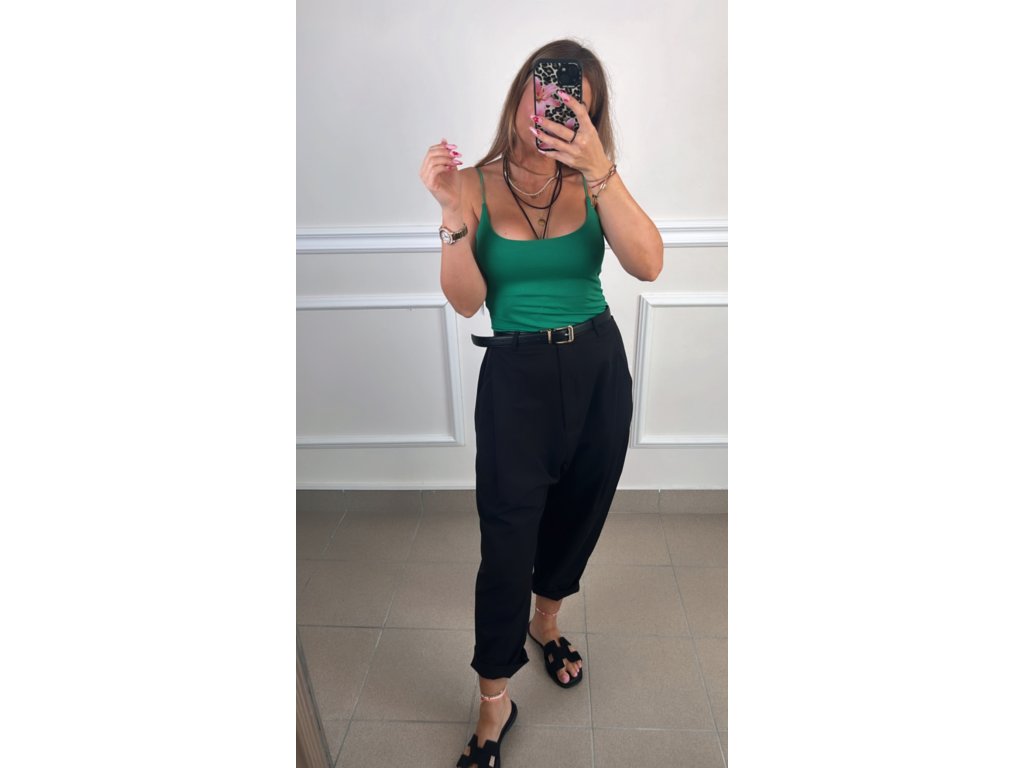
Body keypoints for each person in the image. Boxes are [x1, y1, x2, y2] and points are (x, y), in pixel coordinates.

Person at [418, 38, 662, 768]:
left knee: (580, 511)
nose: (550, 106)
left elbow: (648, 262)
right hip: (516, 378)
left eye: (570, 101)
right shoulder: (469, 183)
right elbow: (467, 302)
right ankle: (495, 697)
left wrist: (600, 168)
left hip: (597, 368)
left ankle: (546, 621)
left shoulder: (594, 179)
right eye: (541, 88)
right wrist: (451, 215)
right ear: (521, 92)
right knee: (505, 544)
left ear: (589, 114)